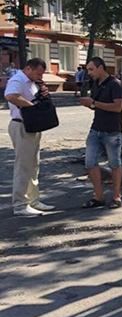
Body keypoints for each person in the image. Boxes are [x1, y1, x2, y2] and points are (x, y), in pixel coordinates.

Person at [4, 58, 55, 217]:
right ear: (28, 69)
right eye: (38, 73)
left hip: (32, 126)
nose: (39, 76)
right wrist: (32, 106)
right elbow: (10, 96)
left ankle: (33, 200)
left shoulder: (31, 81)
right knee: (24, 166)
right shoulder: (18, 79)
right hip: (22, 125)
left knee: (33, 165)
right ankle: (20, 205)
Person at [78, 57, 122, 209]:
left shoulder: (114, 84)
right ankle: (98, 196)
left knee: (114, 164)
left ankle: (117, 196)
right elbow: (96, 105)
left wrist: (93, 103)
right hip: (96, 128)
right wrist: (90, 104)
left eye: (91, 69)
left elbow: (118, 107)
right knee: (90, 162)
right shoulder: (96, 83)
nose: (89, 73)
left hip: (112, 131)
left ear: (101, 68)